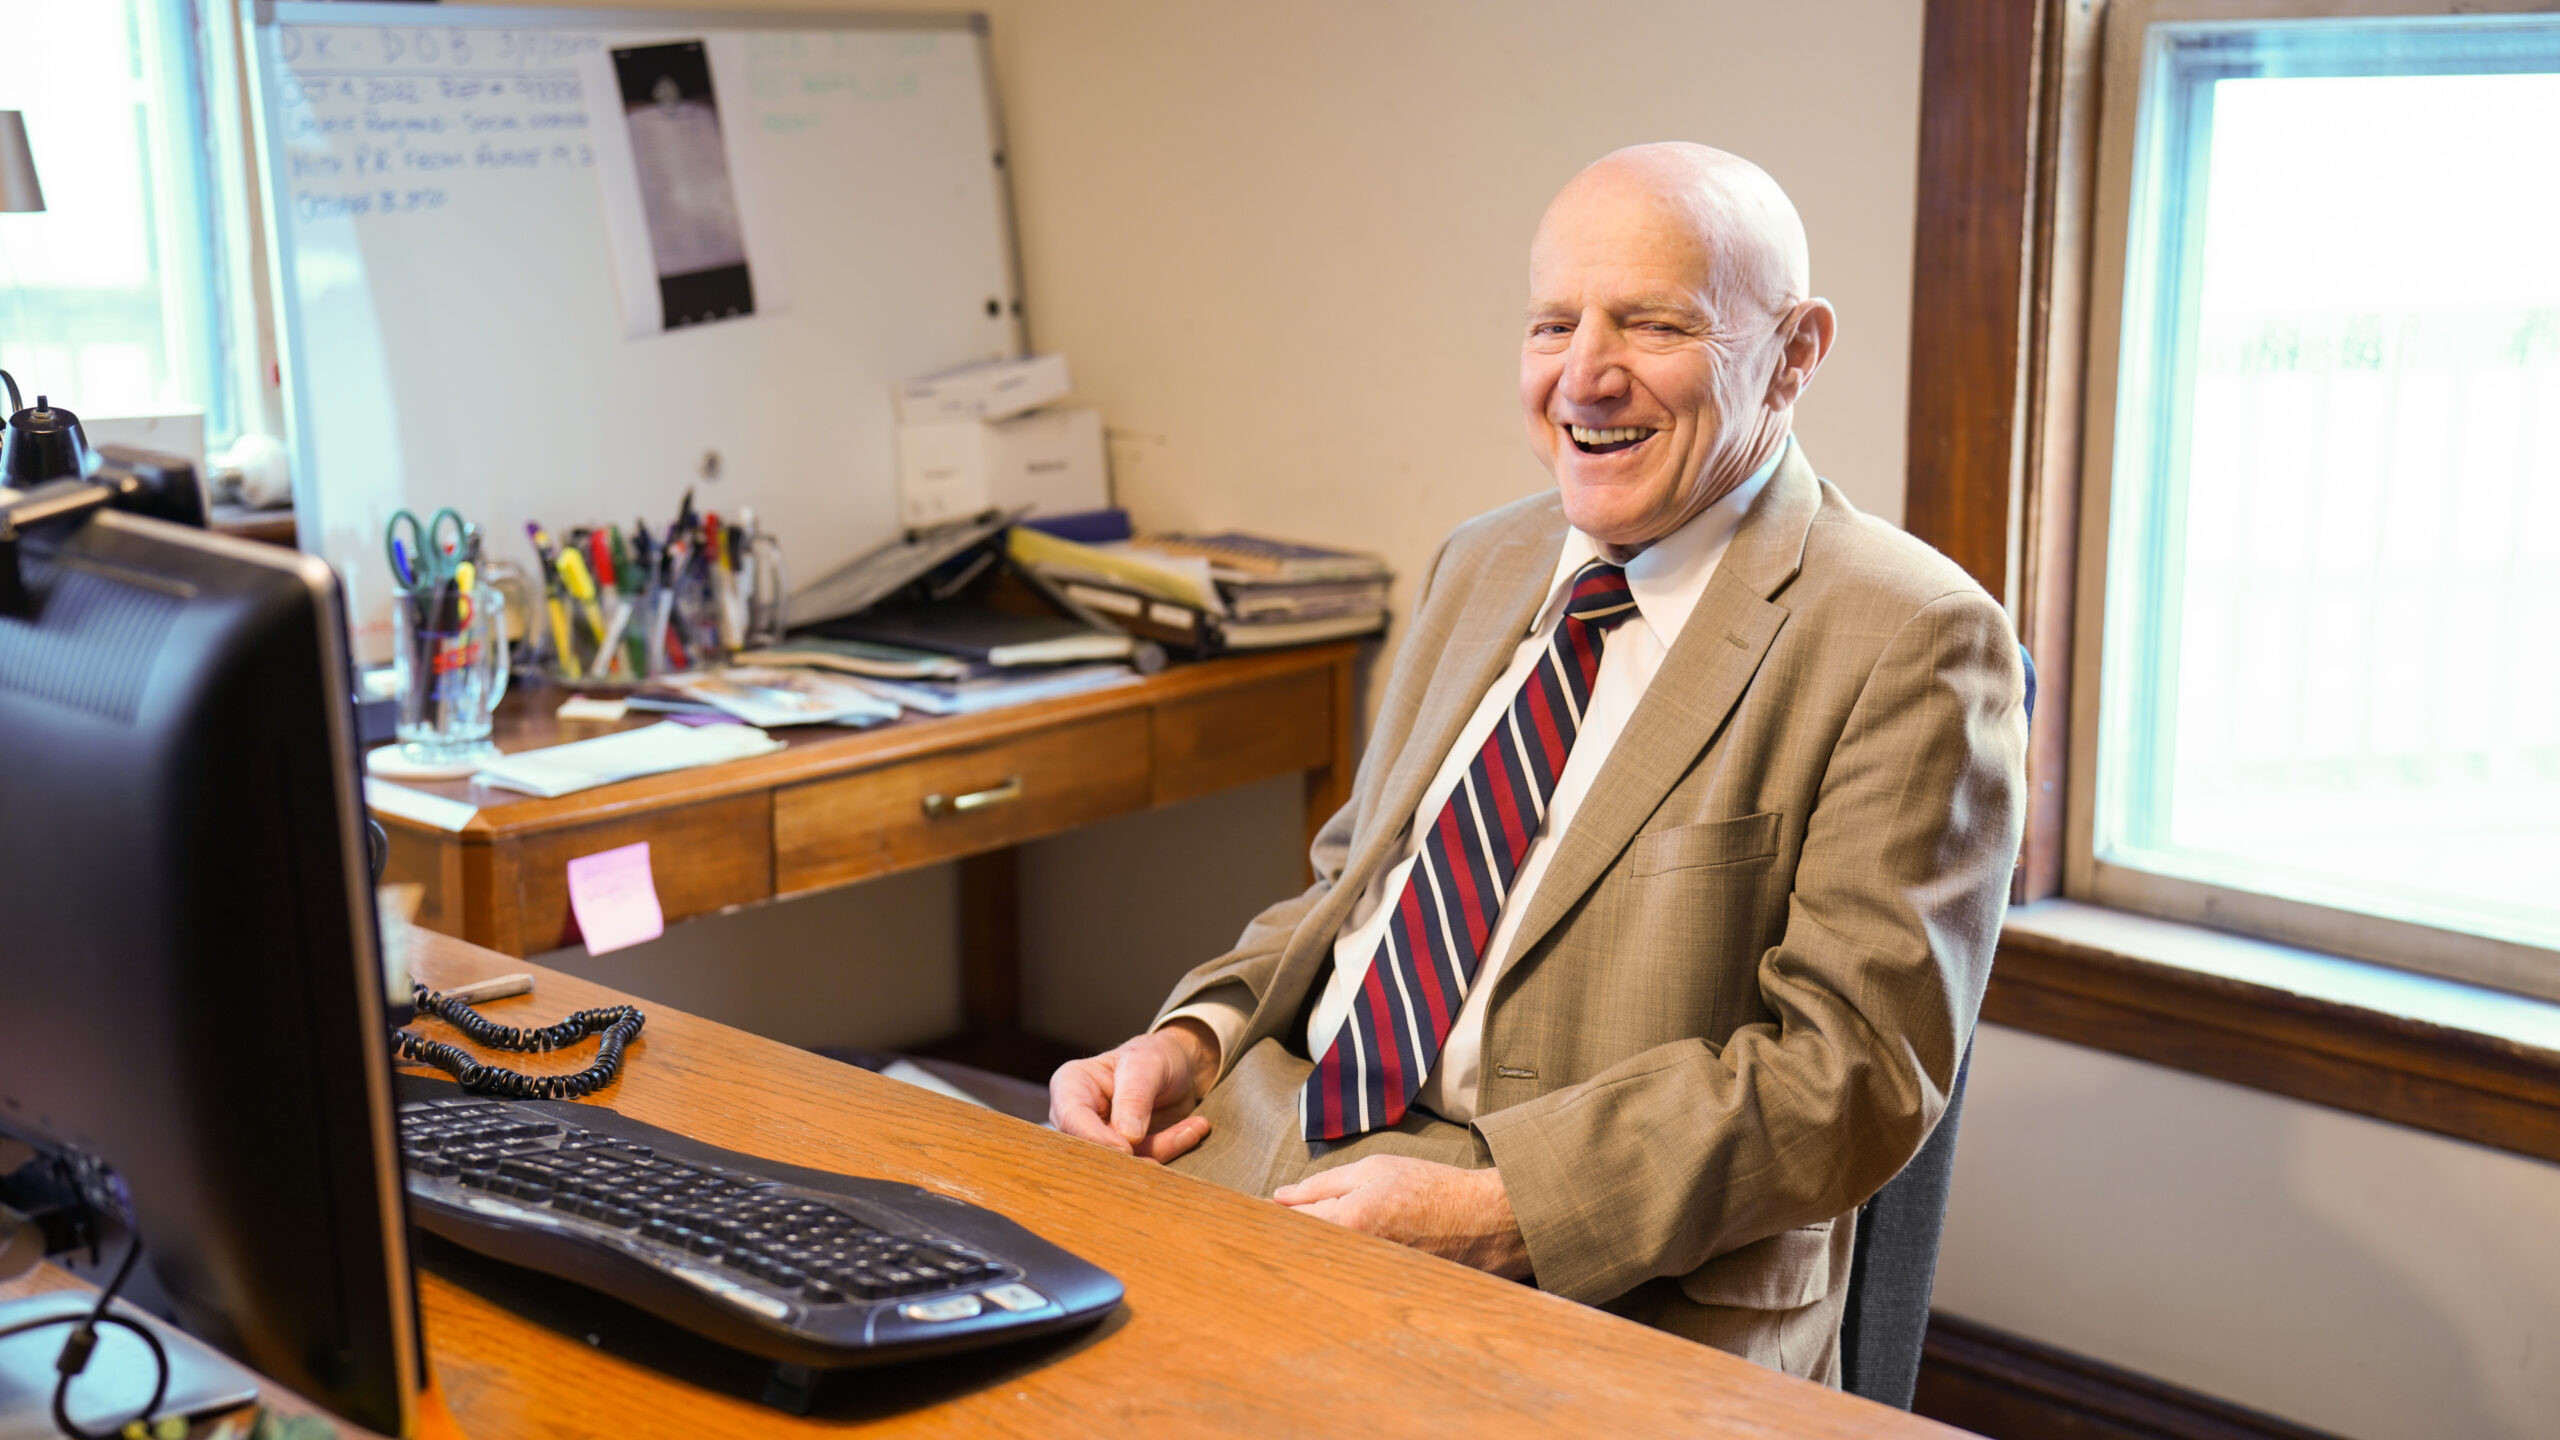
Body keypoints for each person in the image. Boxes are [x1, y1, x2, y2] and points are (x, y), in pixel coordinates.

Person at [1049, 142, 2027, 1382]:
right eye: (1553, 324)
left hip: (1595, 1288)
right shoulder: (1485, 561)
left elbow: (1850, 1076)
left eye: (1653, 325)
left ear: (1795, 353)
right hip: (1254, 1165)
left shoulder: (1910, 635)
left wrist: (1504, 1208)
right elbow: (1350, 891)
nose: (1585, 376)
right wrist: (1192, 1040)